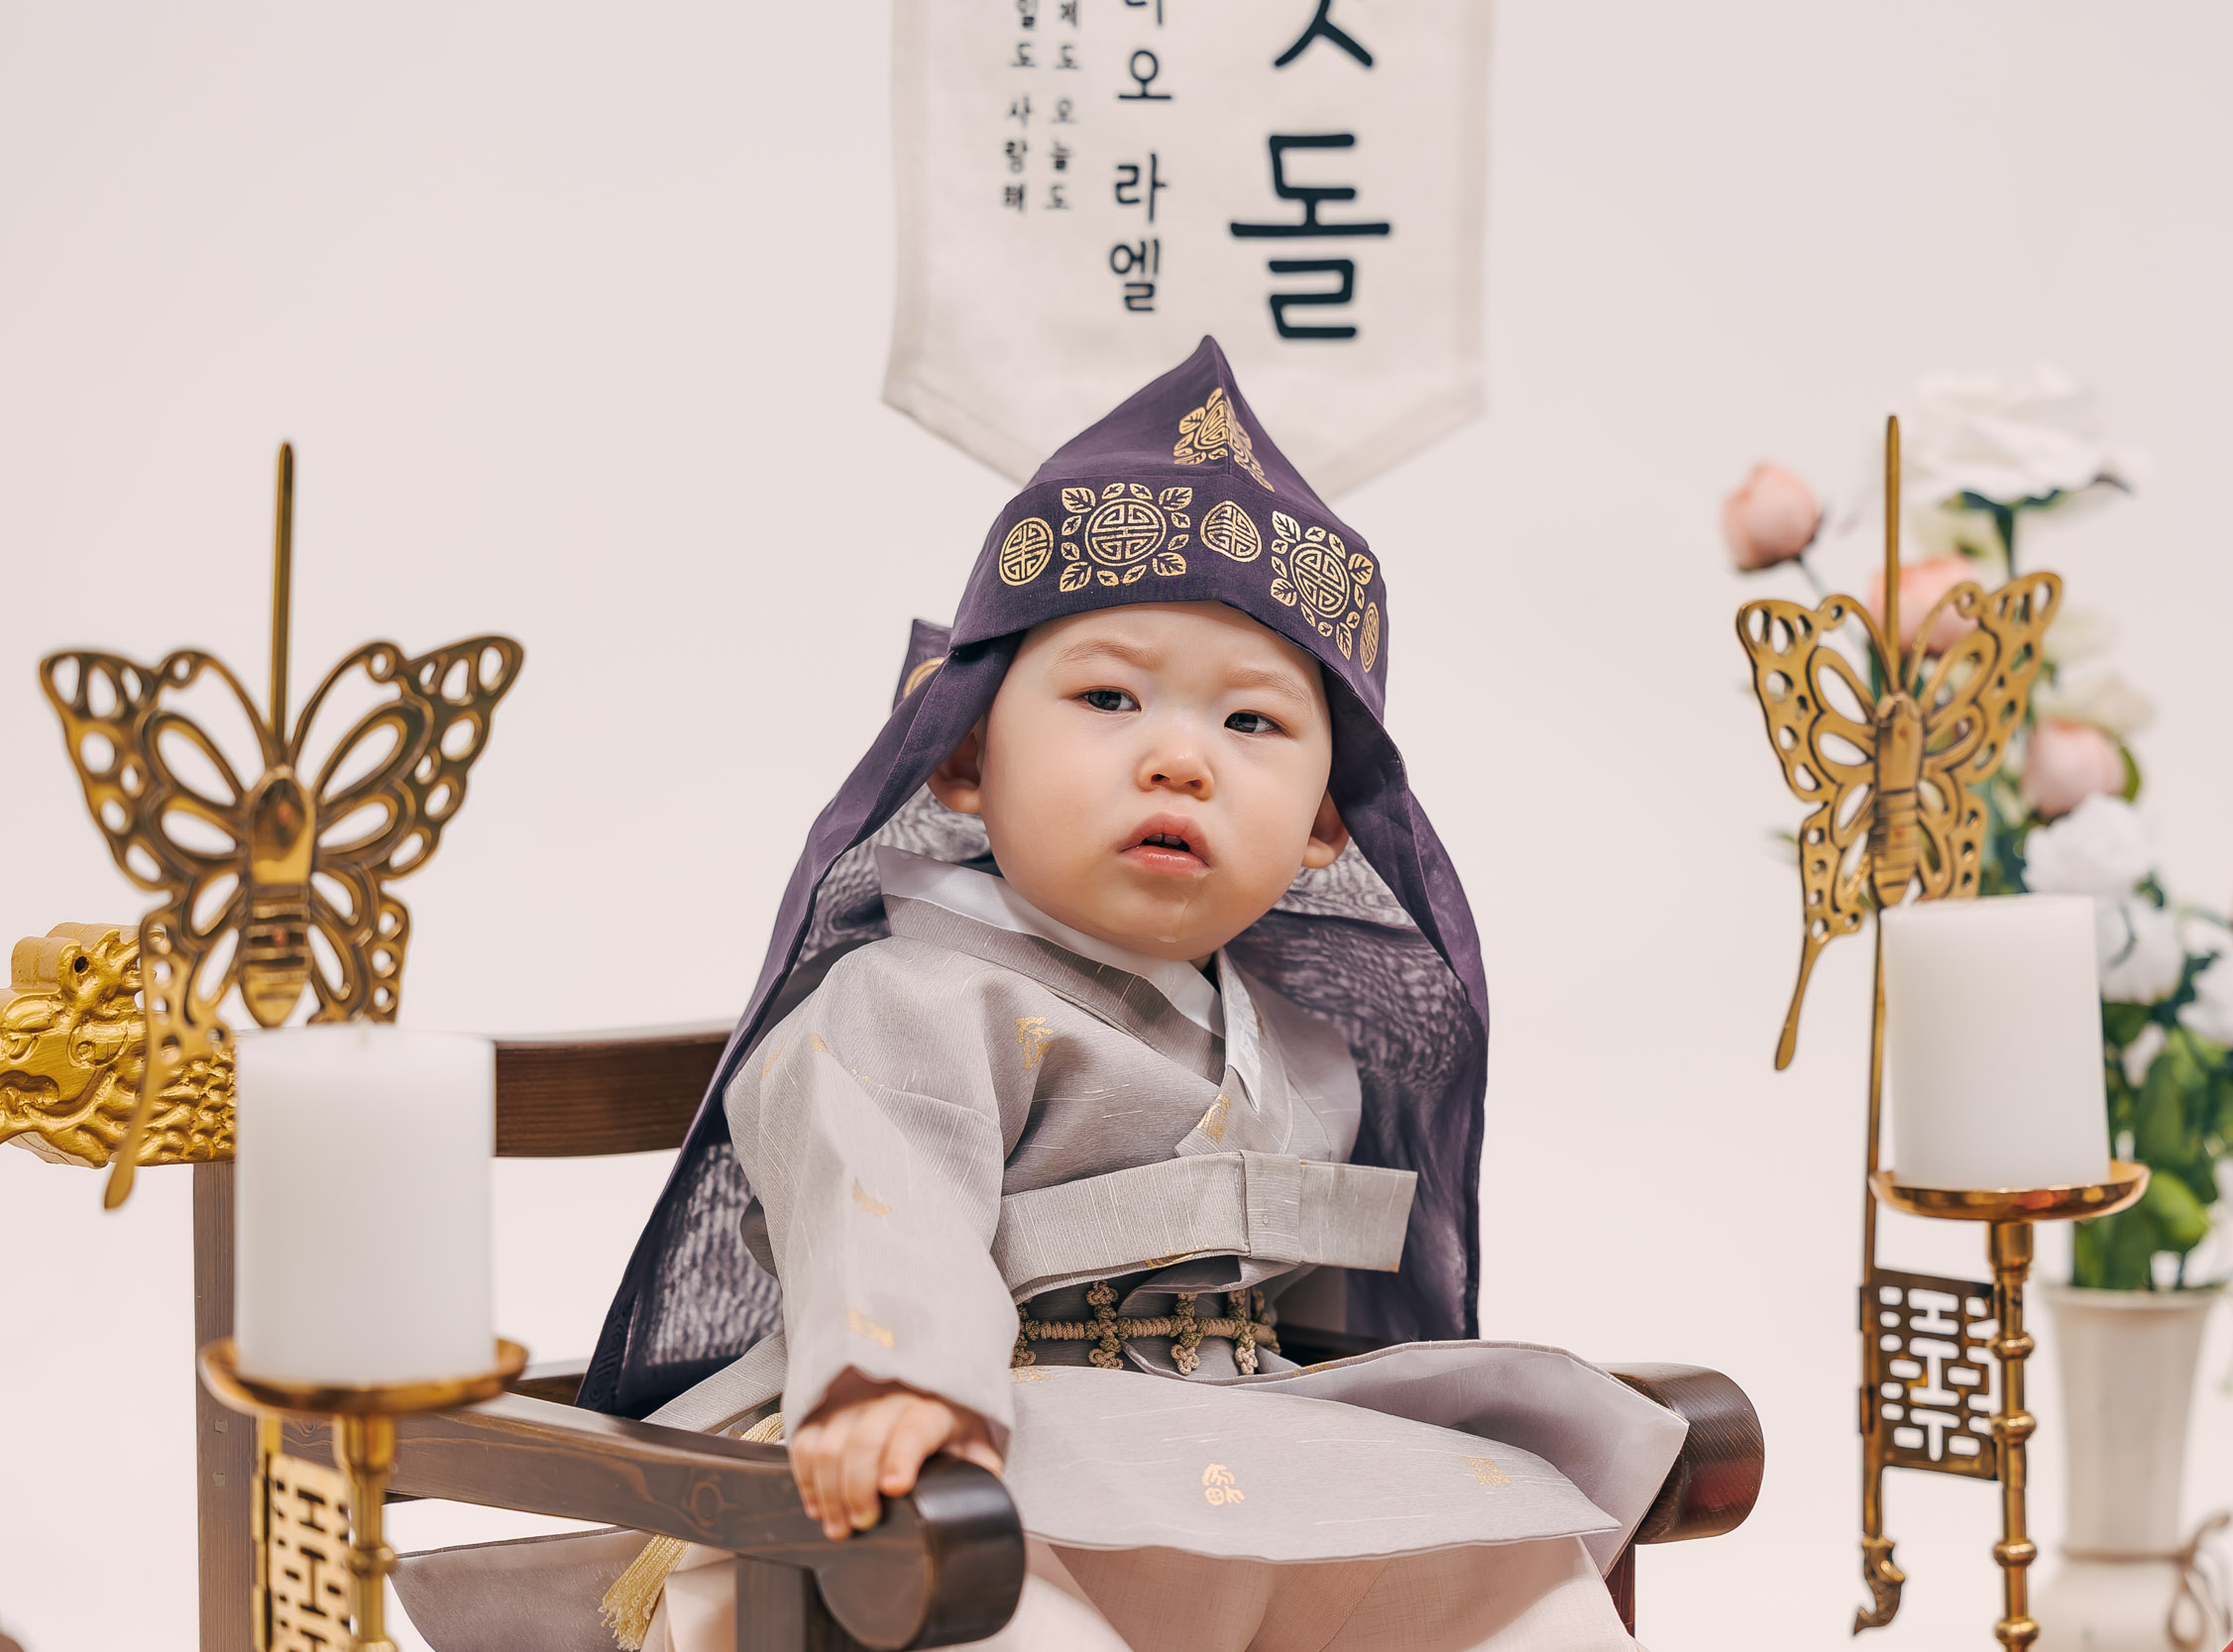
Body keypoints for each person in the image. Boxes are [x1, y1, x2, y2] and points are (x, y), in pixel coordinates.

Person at [396, 339, 1683, 1652]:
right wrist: (904, 1387)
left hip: (1241, 1445)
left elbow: (1320, 1336)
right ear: (964, 755)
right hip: (980, 1455)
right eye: (1108, 696)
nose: (1179, 758)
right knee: (994, 1601)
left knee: (1501, 1568)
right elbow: (879, 1202)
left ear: (1322, 830)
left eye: (1251, 723)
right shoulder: (907, 1002)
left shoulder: (1308, 1052)